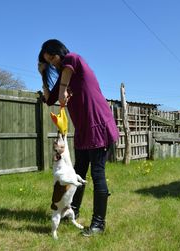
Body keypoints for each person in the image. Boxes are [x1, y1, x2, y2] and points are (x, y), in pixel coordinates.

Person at [38, 39, 119, 236]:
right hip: (82, 131)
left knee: (97, 174)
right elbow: (49, 100)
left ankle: (98, 224)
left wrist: (64, 88)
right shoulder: (62, 76)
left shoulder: (74, 59)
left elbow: (66, 68)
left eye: (53, 57)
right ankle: (72, 211)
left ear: (59, 52)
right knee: (78, 172)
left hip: (98, 125)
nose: (53, 63)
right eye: (49, 61)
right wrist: (43, 75)